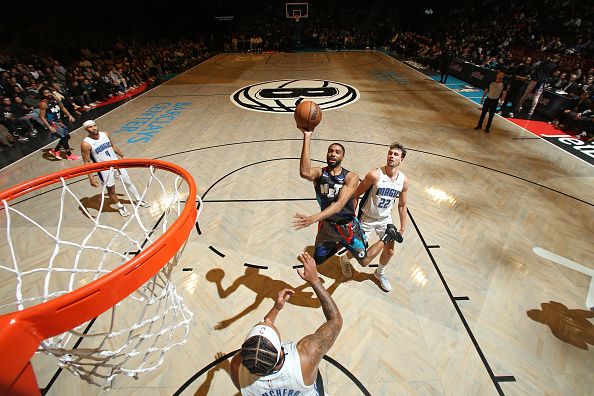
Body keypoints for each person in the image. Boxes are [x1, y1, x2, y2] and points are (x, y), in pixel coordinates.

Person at [230, 252, 341, 395]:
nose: (268, 320)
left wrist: (276, 308)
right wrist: (314, 280)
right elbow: (335, 320)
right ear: (281, 352)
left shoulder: (236, 367)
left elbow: (262, 344)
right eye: (270, 325)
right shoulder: (306, 357)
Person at [293, 127, 402, 267]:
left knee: (364, 262)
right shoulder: (320, 173)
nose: (333, 154)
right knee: (319, 261)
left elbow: (338, 205)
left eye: (337, 152)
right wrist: (307, 135)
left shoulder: (351, 177)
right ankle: (341, 244)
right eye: (330, 151)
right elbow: (304, 172)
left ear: (342, 157)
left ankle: (388, 235)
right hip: (327, 226)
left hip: (348, 228)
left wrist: (312, 218)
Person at [340, 142, 408, 292]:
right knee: (358, 251)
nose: (391, 156)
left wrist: (402, 227)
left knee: (390, 251)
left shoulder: (403, 180)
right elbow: (356, 195)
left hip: (385, 220)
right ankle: (344, 259)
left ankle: (379, 273)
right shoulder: (374, 175)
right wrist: (352, 218)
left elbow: (402, 205)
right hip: (366, 218)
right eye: (390, 153)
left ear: (401, 159)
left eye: (396, 154)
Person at [80, 119, 149, 217]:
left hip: (117, 164)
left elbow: (112, 146)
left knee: (128, 182)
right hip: (104, 169)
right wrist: (90, 177)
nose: (94, 128)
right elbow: (86, 162)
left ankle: (138, 199)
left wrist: (123, 156)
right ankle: (119, 206)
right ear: (86, 129)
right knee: (111, 190)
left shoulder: (105, 134)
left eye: (94, 125)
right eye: (90, 127)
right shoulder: (86, 144)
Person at [38, 87, 79, 160]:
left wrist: (70, 115)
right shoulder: (43, 103)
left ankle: (55, 150)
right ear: (42, 95)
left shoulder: (55, 98)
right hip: (52, 123)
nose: (48, 94)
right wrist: (50, 127)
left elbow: (62, 107)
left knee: (67, 137)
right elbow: (41, 116)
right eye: (46, 93)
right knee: (64, 137)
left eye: (49, 92)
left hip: (59, 121)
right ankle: (69, 155)